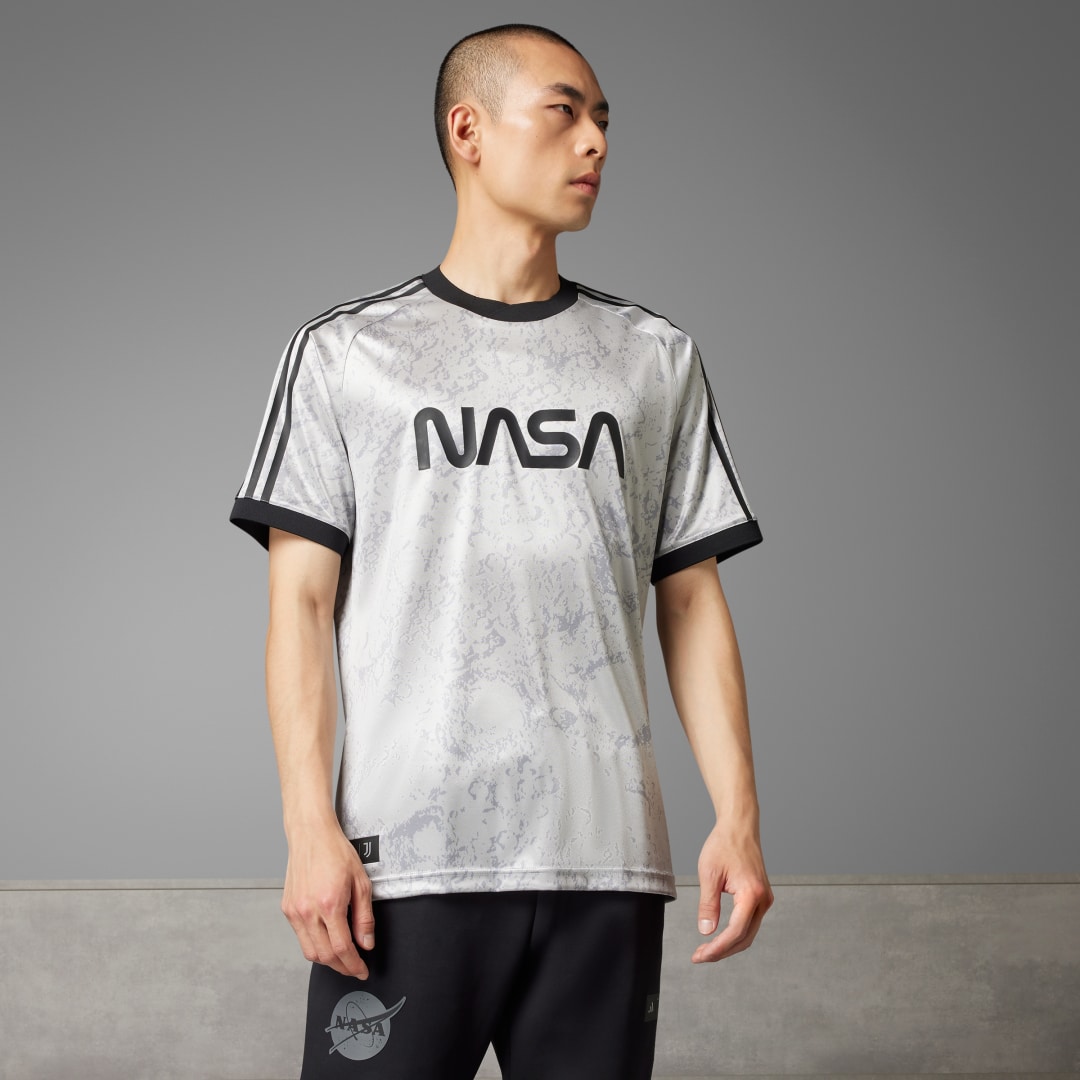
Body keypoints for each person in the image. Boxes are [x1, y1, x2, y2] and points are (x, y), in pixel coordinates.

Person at [229, 22, 773, 1080]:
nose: (596, 143)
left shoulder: (653, 358)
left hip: (606, 860)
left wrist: (739, 818)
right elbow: (298, 606)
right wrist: (308, 830)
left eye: (604, 121)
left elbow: (691, 598)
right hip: (403, 864)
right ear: (467, 130)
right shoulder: (347, 355)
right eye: (565, 113)